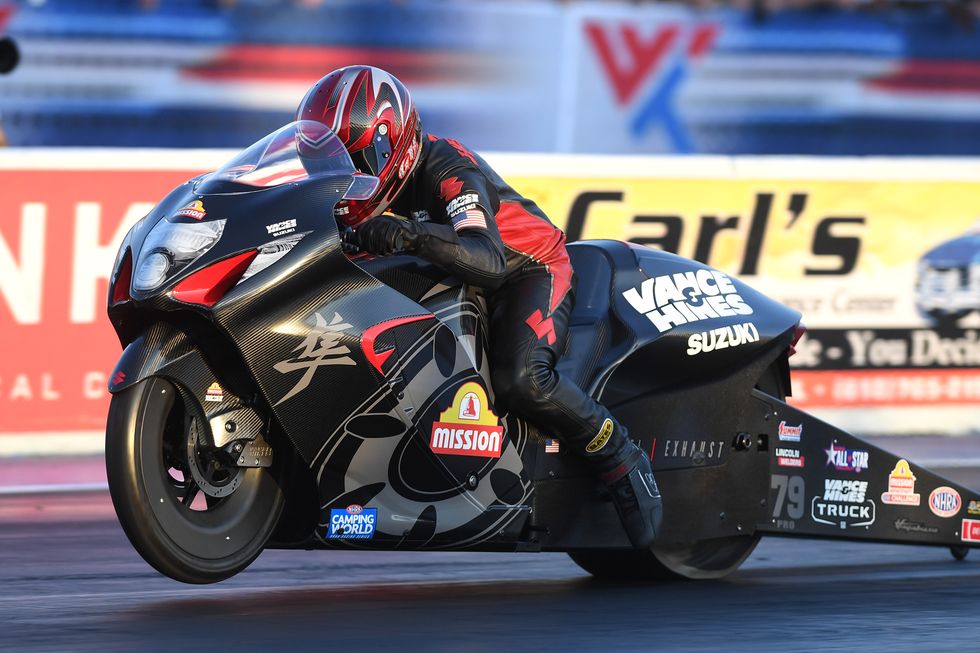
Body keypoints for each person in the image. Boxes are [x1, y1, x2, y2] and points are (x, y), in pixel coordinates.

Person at [296, 65, 662, 548]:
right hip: (449, 267)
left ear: (389, 145)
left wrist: (403, 232)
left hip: (527, 268)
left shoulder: (450, 170)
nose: (340, 177)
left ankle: (618, 453)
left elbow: (486, 259)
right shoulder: (352, 195)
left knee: (524, 379)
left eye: (351, 162)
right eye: (324, 165)